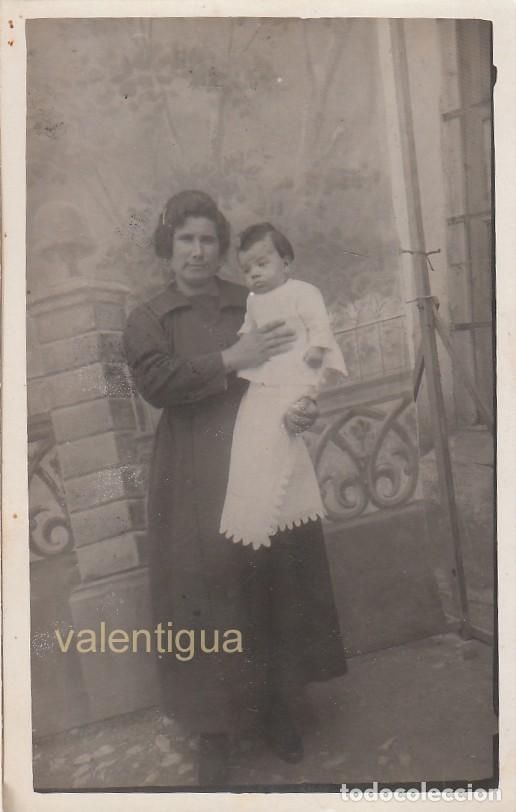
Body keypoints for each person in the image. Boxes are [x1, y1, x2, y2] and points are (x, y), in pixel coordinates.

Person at [123, 191, 347, 786]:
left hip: (260, 451)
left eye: (207, 240)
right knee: (202, 594)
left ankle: (277, 709)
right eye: (185, 241)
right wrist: (233, 356)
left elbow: (298, 359)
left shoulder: (252, 297)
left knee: (268, 581)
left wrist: (302, 406)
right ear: (167, 251)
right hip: (191, 470)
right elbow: (156, 381)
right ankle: (213, 731)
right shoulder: (150, 315)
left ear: (222, 247)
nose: (197, 251)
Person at [220, 222, 348, 549]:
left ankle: (264, 490)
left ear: (286, 263)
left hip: (301, 364)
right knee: (254, 427)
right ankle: (254, 503)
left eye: (263, 265)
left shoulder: (303, 292)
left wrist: (317, 347)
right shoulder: (253, 301)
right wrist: (244, 343)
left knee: (283, 422)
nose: (255, 275)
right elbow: (249, 331)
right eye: (248, 270)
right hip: (271, 372)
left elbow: (319, 323)